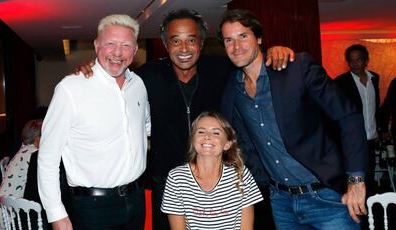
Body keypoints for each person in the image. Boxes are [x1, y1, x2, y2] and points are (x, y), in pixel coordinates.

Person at [75, 9, 294, 230]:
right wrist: (91, 70)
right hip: (167, 185)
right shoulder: (148, 76)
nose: (184, 49)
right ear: (165, 44)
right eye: (175, 41)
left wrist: (271, 51)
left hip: (220, 183)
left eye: (191, 40)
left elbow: (249, 60)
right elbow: (115, 78)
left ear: (201, 42)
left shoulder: (221, 70)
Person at [219, 9, 368, 229]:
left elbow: (348, 116)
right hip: (281, 202)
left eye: (243, 36)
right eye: (228, 40)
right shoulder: (233, 88)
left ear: (259, 38)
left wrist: (356, 179)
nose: (236, 46)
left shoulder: (296, 67)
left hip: (327, 196)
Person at [38, 14, 150, 230]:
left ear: (135, 51)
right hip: (92, 209)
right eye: (110, 44)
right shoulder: (70, 89)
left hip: (136, 200)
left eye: (126, 45)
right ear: (97, 46)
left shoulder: (138, 85)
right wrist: (56, 215)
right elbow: (48, 157)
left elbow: (145, 125)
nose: (117, 52)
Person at [161, 111, 263, 229]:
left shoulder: (241, 174)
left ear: (227, 144)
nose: (207, 136)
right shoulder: (177, 178)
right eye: (201, 131)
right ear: (193, 140)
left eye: (216, 132)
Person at [335, 44, 380, 195]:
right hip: (351, 139)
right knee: (353, 177)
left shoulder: (375, 79)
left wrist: (379, 129)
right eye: (351, 60)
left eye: (358, 60)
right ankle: (353, 208)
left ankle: (370, 210)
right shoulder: (340, 82)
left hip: (371, 138)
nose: (355, 64)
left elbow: (375, 108)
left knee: (370, 176)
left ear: (365, 60)